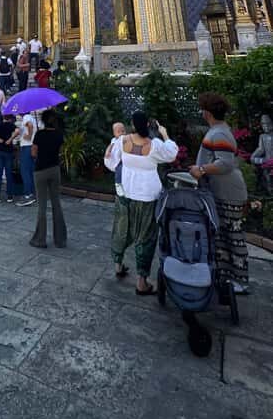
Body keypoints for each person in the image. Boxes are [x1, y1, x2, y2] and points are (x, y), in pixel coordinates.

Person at [105, 110, 178, 294]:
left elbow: (111, 163)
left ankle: (118, 266)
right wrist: (165, 134)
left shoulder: (122, 141)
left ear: (131, 123)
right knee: (145, 237)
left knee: (121, 228)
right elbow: (172, 154)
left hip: (125, 193)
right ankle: (141, 282)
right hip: (146, 196)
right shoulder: (154, 145)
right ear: (147, 125)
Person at [189, 92, 249, 294]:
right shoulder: (218, 130)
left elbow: (225, 163)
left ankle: (240, 280)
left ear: (207, 112)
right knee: (222, 235)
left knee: (233, 236)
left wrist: (202, 169)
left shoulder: (220, 133)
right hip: (219, 191)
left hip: (228, 191)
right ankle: (226, 277)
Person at [29, 109, 66, 248]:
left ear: (43, 121)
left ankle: (40, 239)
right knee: (56, 203)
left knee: (42, 205)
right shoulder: (59, 134)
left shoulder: (39, 134)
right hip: (54, 170)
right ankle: (60, 239)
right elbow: (60, 151)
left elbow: (33, 153)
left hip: (41, 170)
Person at [0, 114, 19, 202]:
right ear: (10, 118)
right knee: (9, 173)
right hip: (8, 151)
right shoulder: (11, 125)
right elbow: (17, 131)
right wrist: (10, 139)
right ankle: (9, 196)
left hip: (0, 151)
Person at [16, 111, 38, 206]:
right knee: (31, 171)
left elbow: (30, 126)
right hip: (32, 147)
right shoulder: (33, 118)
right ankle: (32, 193)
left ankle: (28, 195)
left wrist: (28, 136)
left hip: (27, 147)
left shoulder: (26, 117)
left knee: (25, 171)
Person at [104, 122, 126, 196]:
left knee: (123, 169)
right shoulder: (114, 140)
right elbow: (110, 146)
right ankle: (118, 184)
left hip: (122, 158)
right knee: (119, 169)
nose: (121, 133)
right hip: (114, 157)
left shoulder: (125, 139)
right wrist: (107, 152)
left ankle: (123, 184)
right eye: (119, 132)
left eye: (123, 131)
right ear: (114, 133)